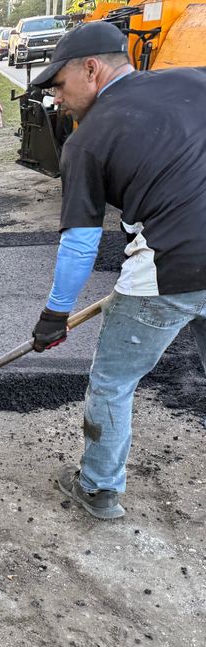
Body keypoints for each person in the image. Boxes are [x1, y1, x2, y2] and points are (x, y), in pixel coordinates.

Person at [28, 22, 206, 520]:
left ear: (92, 67)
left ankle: (100, 489)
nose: (55, 99)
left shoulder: (86, 143)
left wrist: (54, 315)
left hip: (167, 272)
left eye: (58, 85)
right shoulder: (195, 81)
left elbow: (81, 243)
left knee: (113, 383)